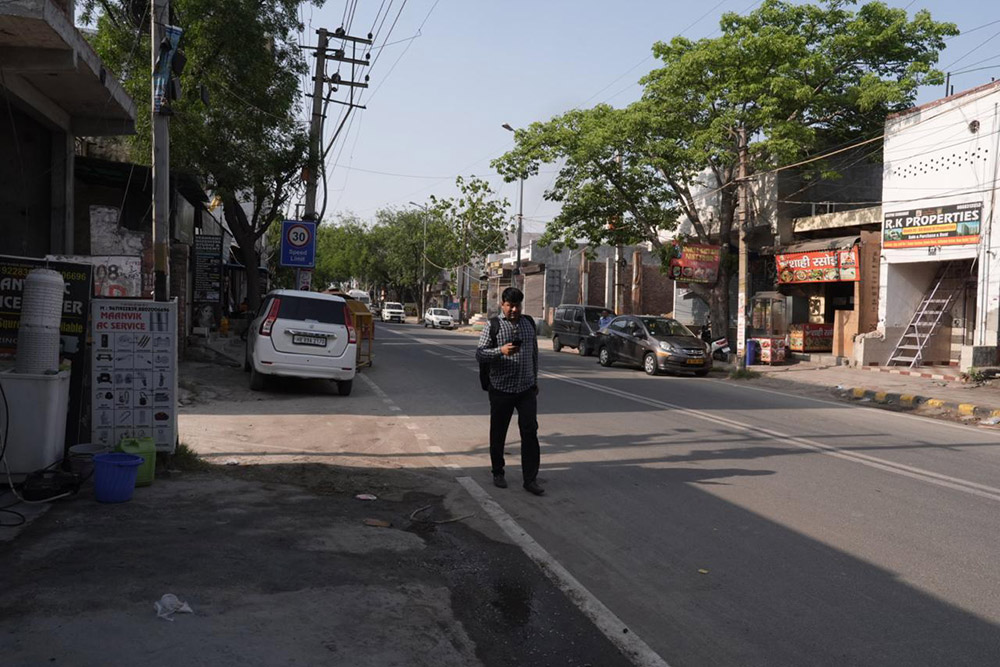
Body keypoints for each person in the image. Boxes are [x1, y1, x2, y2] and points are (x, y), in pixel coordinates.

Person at [475, 287, 544, 496]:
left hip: (526, 389)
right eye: (509, 305)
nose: (513, 309)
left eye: (517, 305)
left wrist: (534, 379)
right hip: (500, 389)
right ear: (502, 305)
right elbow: (480, 354)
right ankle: (498, 471)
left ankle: (530, 479)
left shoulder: (528, 323)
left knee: (530, 431)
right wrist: (500, 351)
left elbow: (534, 353)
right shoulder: (493, 325)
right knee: (498, 433)